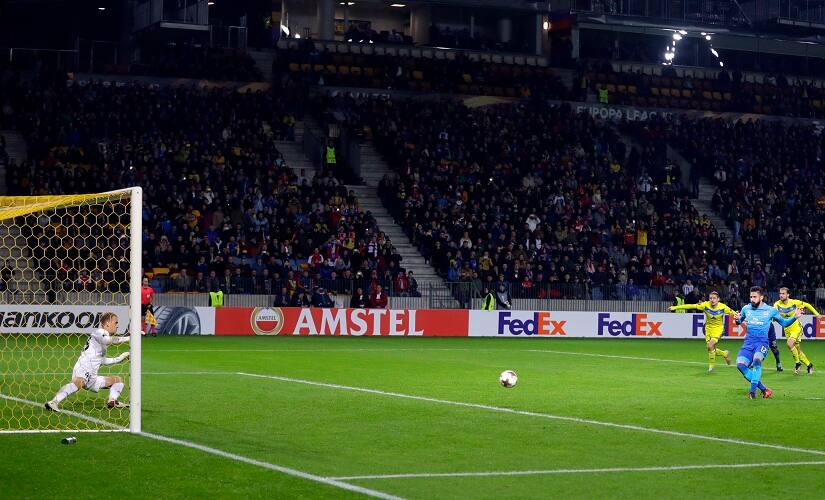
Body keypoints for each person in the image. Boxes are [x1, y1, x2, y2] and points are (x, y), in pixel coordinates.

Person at [45, 312, 130, 411]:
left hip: (92, 376)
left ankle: (112, 401)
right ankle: (53, 402)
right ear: (107, 324)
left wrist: (119, 358)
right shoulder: (99, 332)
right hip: (84, 367)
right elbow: (108, 340)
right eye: (116, 323)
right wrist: (129, 338)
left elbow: (100, 360)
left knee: (117, 380)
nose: (117, 325)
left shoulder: (101, 342)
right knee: (78, 383)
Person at [733, 287, 802, 400]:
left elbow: (784, 323)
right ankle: (765, 390)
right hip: (748, 343)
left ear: (761, 297)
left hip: (762, 342)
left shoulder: (770, 310)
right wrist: (737, 319)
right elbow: (739, 321)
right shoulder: (746, 308)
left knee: (756, 361)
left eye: (755, 297)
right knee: (740, 365)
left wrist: (794, 317)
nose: (752, 299)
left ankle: (752, 393)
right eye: (751, 297)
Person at [669, 291, 733, 372]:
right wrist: (674, 307)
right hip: (708, 329)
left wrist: (741, 317)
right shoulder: (705, 305)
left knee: (710, 346)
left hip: (718, 329)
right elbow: (690, 306)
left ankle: (711, 367)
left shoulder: (723, 307)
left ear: (718, 299)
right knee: (711, 348)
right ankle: (725, 353)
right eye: (710, 298)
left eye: (714, 298)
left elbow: (734, 313)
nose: (712, 300)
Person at [773, 287, 817, 374]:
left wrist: (817, 314)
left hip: (796, 328)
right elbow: (773, 314)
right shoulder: (777, 304)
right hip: (787, 329)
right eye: (780, 293)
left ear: (788, 295)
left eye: (783, 293)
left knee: (789, 344)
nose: (781, 295)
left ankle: (797, 364)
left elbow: (807, 305)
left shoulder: (794, 302)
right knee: (797, 350)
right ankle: (809, 365)